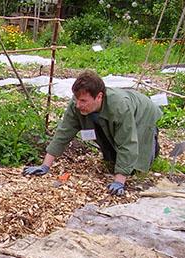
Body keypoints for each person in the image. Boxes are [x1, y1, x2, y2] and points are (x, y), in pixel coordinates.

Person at [23, 70, 162, 196]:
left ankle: (153, 149)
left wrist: (119, 181)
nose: (78, 105)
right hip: (113, 113)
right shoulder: (76, 105)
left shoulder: (120, 107)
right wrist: (45, 166)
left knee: (137, 165)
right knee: (112, 156)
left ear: (99, 97)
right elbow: (63, 133)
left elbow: (127, 142)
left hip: (143, 113)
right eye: (76, 99)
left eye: (83, 101)